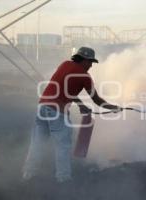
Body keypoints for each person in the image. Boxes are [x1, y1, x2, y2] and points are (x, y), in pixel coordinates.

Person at [23, 47, 122, 183]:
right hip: (57, 111)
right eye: (90, 62)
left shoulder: (65, 65)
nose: (91, 66)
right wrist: (113, 107)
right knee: (63, 145)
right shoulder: (85, 77)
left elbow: (66, 89)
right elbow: (96, 100)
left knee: (37, 143)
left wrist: (81, 105)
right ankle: (63, 179)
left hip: (42, 107)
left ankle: (28, 174)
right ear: (83, 60)